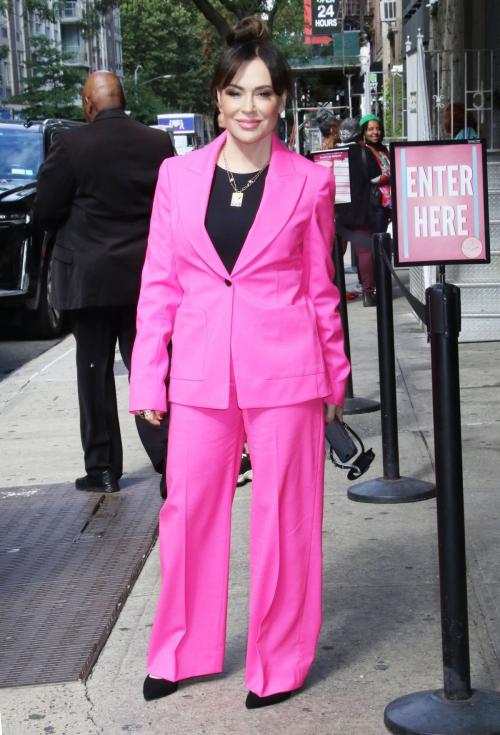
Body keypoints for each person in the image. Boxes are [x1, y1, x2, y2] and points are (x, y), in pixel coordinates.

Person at [129, 16, 350, 709]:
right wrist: (146, 374)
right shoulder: (176, 175)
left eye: (262, 93)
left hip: (286, 371)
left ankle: (278, 659)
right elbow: (158, 282)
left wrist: (336, 376)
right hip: (197, 373)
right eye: (235, 92)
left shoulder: (309, 183)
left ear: (281, 99)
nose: (248, 107)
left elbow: (321, 287)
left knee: (285, 520)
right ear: (217, 100)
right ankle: (182, 649)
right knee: (187, 511)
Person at [35, 72, 174, 495]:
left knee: (94, 373)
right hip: (145, 277)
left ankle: (103, 469)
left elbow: (45, 210)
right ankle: (169, 461)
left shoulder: (71, 144)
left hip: (89, 281)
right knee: (150, 370)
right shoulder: (158, 143)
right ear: (124, 100)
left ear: (88, 104)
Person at [335, 117, 381, 307]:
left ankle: (335, 293)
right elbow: (377, 177)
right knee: (365, 252)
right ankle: (368, 294)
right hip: (362, 211)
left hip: (337, 211)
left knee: (336, 253)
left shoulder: (334, 154)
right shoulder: (364, 152)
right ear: (358, 133)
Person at [360, 114, 392, 236]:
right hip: (375, 204)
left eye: (378, 129)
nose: (375, 132)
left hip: (388, 204)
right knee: (376, 239)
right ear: (363, 132)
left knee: (383, 237)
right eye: (370, 129)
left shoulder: (383, 149)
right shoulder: (364, 151)